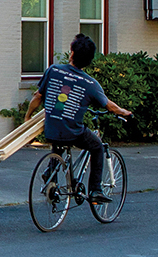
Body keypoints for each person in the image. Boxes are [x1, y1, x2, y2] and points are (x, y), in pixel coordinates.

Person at [24, 34, 132, 205]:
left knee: (58, 136)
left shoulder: (53, 70)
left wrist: (28, 116)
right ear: (89, 61)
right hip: (72, 132)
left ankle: (50, 172)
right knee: (96, 146)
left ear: (71, 54)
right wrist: (124, 112)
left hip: (50, 129)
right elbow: (109, 106)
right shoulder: (90, 83)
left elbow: (38, 97)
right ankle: (96, 190)